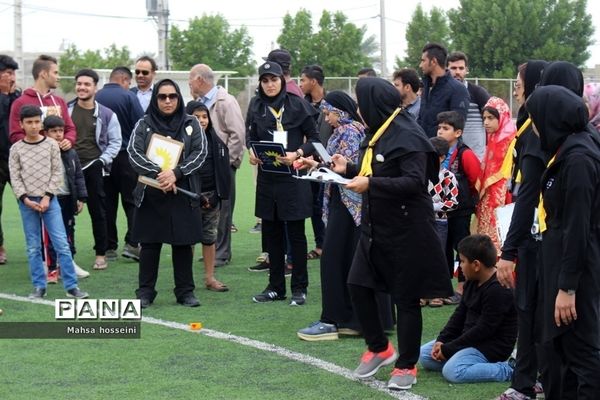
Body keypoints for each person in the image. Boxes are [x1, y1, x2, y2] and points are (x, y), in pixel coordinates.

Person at [330, 77, 453, 390]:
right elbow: (377, 170)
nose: (358, 109)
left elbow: (414, 182)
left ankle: (406, 366)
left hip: (407, 230)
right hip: (376, 227)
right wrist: (348, 168)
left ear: (375, 104)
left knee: (406, 299)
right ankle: (379, 348)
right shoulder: (378, 131)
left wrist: (370, 184)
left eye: (361, 103)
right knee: (357, 284)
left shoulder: (408, 135)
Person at [296, 90, 393, 340]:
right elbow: (342, 166)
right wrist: (316, 165)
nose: (326, 118)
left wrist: (323, 172)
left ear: (339, 111)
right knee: (351, 262)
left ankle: (335, 318)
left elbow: (350, 171)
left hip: (349, 205)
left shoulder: (349, 132)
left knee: (335, 262)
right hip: (352, 205)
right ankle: (358, 319)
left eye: (328, 113)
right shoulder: (353, 131)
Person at [526, 84, 600, 399]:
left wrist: (567, 287)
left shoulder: (580, 158)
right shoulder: (569, 149)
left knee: (583, 352)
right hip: (560, 263)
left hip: (576, 271)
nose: (534, 128)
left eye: (536, 119)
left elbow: (578, 226)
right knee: (563, 351)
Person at [495, 60, 551, 400]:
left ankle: (526, 382)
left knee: (531, 309)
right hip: (529, 232)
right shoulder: (529, 125)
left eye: (519, 81)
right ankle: (532, 377)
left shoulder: (536, 132)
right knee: (531, 308)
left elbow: (529, 195)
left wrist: (509, 251)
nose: (516, 86)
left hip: (534, 235)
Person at [128, 79, 207, 308]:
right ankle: (145, 292)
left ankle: (185, 292)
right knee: (150, 245)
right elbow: (133, 153)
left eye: (172, 96)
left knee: (183, 245)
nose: (168, 101)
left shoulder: (191, 123)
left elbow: (200, 154)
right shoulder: (143, 124)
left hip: (181, 192)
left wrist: (176, 173)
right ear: (156, 100)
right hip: (151, 194)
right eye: (162, 97)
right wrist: (159, 174)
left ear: (179, 98)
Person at [247, 61, 319, 306]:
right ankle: (275, 286)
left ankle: (299, 287)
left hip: (293, 179)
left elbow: (316, 140)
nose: (269, 85)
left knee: (296, 234)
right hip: (268, 179)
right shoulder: (256, 105)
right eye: (265, 81)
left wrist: (297, 153)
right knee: (271, 235)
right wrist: (251, 152)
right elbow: (251, 136)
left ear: (282, 81)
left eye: (273, 80)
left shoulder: (297, 104)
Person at [9, 105, 88, 299]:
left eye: (37, 122)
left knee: (61, 243)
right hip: (27, 203)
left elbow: (56, 173)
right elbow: (15, 177)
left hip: (49, 201)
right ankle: (39, 286)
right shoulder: (16, 148)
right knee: (33, 246)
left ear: (41, 124)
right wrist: (25, 199)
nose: (34, 126)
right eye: (29, 122)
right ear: (21, 125)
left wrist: (47, 196)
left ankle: (71, 286)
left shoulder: (52, 145)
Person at [419, 234, 517, 383]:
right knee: (425, 355)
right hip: (469, 340)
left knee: (453, 371)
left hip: (489, 347)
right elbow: (459, 315)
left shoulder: (498, 289)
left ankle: (508, 369)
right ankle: (464, 361)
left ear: (476, 265)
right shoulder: (472, 281)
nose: (460, 266)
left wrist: (450, 349)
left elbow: (484, 329)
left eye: (462, 261)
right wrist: (442, 340)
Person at [188, 63, 245, 267]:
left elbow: (237, 134)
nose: (188, 82)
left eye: (190, 78)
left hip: (222, 166)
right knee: (208, 209)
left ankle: (222, 253)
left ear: (199, 80)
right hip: (203, 167)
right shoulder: (200, 102)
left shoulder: (226, 101)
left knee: (224, 210)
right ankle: (212, 250)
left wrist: (227, 164)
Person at [68, 68, 122, 271]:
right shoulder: (66, 110)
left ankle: (101, 254)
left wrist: (102, 160)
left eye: (86, 84)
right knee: (65, 214)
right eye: (79, 83)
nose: (82, 87)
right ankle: (67, 256)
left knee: (99, 213)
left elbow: (116, 142)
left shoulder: (107, 114)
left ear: (95, 88)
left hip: (94, 168)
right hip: (69, 169)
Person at [96, 66, 145, 262]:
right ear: (124, 80)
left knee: (107, 203)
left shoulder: (97, 96)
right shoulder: (129, 97)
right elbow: (141, 124)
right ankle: (132, 244)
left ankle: (109, 247)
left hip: (103, 157)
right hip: (126, 156)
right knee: (131, 201)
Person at [185, 100, 231, 292]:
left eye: (204, 117)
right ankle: (185, 280)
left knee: (209, 237)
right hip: (188, 197)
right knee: (187, 239)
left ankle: (209, 277)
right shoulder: (183, 142)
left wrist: (216, 197)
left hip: (211, 198)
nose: (202, 121)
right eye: (196, 117)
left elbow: (223, 173)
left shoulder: (216, 142)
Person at [437, 111, 481, 304]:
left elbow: (475, 181)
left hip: (460, 210)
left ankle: (462, 288)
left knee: (460, 246)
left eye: (445, 128)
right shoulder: (438, 152)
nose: (440, 131)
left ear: (458, 132)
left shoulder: (466, 154)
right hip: (441, 211)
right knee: (443, 247)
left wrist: (465, 200)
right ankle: (444, 287)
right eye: (439, 127)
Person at [42, 116, 89, 281]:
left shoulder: (70, 152)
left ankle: (69, 265)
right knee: (51, 234)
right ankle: (51, 267)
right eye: (53, 131)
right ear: (45, 133)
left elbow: (78, 176)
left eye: (60, 131)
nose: (58, 134)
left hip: (68, 198)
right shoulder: (42, 152)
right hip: (50, 199)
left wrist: (81, 198)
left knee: (69, 232)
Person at [475, 97, 516, 252]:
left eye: (490, 118)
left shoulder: (509, 137)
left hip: (503, 192)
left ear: (502, 117)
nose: (486, 122)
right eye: (484, 118)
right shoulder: (493, 137)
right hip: (489, 192)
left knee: (500, 233)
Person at [9, 54, 76, 148]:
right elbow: (15, 134)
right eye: (55, 73)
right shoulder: (20, 103)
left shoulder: (60, 101)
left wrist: (68, 140)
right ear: (44, 74)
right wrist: (38, 147)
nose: (58, 77)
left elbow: (70, 128)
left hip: (59, 158)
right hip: (33, 160)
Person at [299, 64, 332, 261]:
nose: (300, 84)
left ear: (313, 81)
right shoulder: (302, 104)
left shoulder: (332, 104)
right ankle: (321, 244)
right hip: (309, 163)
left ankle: (329, 243)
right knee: (313, 205)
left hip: (331, 164)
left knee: (326, 204)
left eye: (302, 80)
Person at [425, 136, 459, 308]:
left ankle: (437, 293)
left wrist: (432, 206)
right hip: (421, 222)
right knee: (420, 255)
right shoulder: (420, 174)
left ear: (442, 157)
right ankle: (422, 292)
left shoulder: (448, 177)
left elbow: (453, 203)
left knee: (437, 256)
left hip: (439, 222)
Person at [418, 43, 469, 138]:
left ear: (433, 61)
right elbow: (422, 119)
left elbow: (457, 126)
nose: (421, 65)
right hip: (423, 148)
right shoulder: (426, 87)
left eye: (423, 60)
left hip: (443, 151)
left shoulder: (457, 89)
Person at [447, 51, 490, 161]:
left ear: (466, 70)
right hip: (448, 157)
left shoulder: (478, 93)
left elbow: (495, 117)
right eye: (453, 68)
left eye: (461, 68)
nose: (457, 72)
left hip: (476, 157)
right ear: (446, 69)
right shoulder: (441, 95)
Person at [0, 54, 20, 265]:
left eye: (13, 73)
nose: (11, 77)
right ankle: (0, 246)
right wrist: (5, 96)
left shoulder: (19, 97)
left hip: (18, 159)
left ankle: (41, 247)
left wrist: (12, 95)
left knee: (30, 201)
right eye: (7, 73)